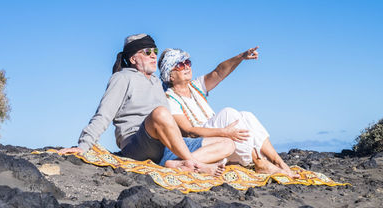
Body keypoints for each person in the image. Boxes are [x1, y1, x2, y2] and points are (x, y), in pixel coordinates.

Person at [59, 34, 235, 176]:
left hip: (164, 146)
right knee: (161, 113)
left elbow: (205, 79)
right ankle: (196, 165)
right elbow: (103, 114)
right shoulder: (122, 78)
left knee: (228, 143)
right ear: (134, 58)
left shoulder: (157, 83)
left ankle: (180, 163)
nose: (153, 55)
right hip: (137, 144)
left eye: (155, 51)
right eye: (147, 51)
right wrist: (83, 145)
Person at [158, 47, 298, 177]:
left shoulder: (196, 86)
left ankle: (279, 162)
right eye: (180, 65)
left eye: (187, 62)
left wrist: (241, 57)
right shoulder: (169, 99)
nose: (187, 67)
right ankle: (259, 162)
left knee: (246, 116)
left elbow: (218, 72)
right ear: (170, 75)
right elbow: (189, 131)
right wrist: (224, 132)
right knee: (228, 113)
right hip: (200, 142)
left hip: (218, 135)